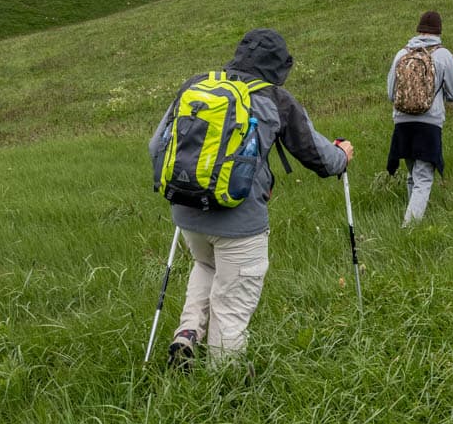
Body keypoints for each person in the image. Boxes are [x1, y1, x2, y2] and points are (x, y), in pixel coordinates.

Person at [150, 28, 352, 368]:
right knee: (232, 306)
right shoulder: (275, 99)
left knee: (206, 264)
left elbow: (156, 146)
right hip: (241, 224)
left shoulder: (197, 86)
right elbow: (317, 156)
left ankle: (187, 334)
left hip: (187, 213)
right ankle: (221, 391)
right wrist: (342, 156)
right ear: (279, 67)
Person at [385, 10, 453, 226]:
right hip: (429, 123)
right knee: (424, 178)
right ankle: (409, 228)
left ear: (418, 29)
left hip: (402, 122)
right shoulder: (443, 55)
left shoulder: (402, 54)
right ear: (439, 32)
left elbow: (391, 93)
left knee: (413, 174)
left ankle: (412, 216)